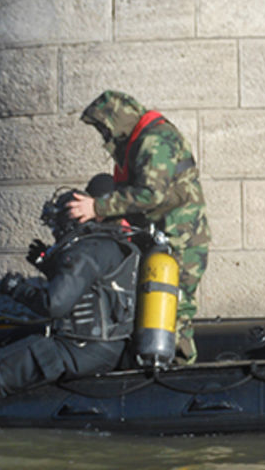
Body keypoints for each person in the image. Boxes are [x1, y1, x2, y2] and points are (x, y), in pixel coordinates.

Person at [0, 183, 141, 427]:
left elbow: (54, 305)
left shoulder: (84, 250)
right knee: (14, 340)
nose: (55, 230)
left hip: (78, 349)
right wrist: (48, 265)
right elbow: (91, 289)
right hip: (111, 349)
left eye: (58, 222)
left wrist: (18, 289)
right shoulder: (116, 246)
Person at [68, 90, 211, 364]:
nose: (104, 136)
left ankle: (180, 370)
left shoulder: (155, 141)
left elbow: (151, 194)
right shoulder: (141, 142)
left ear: (117, 120)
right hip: (162, 237)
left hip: (181, 239)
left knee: (175, 309)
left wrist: (97, 208)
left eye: (103, 127)